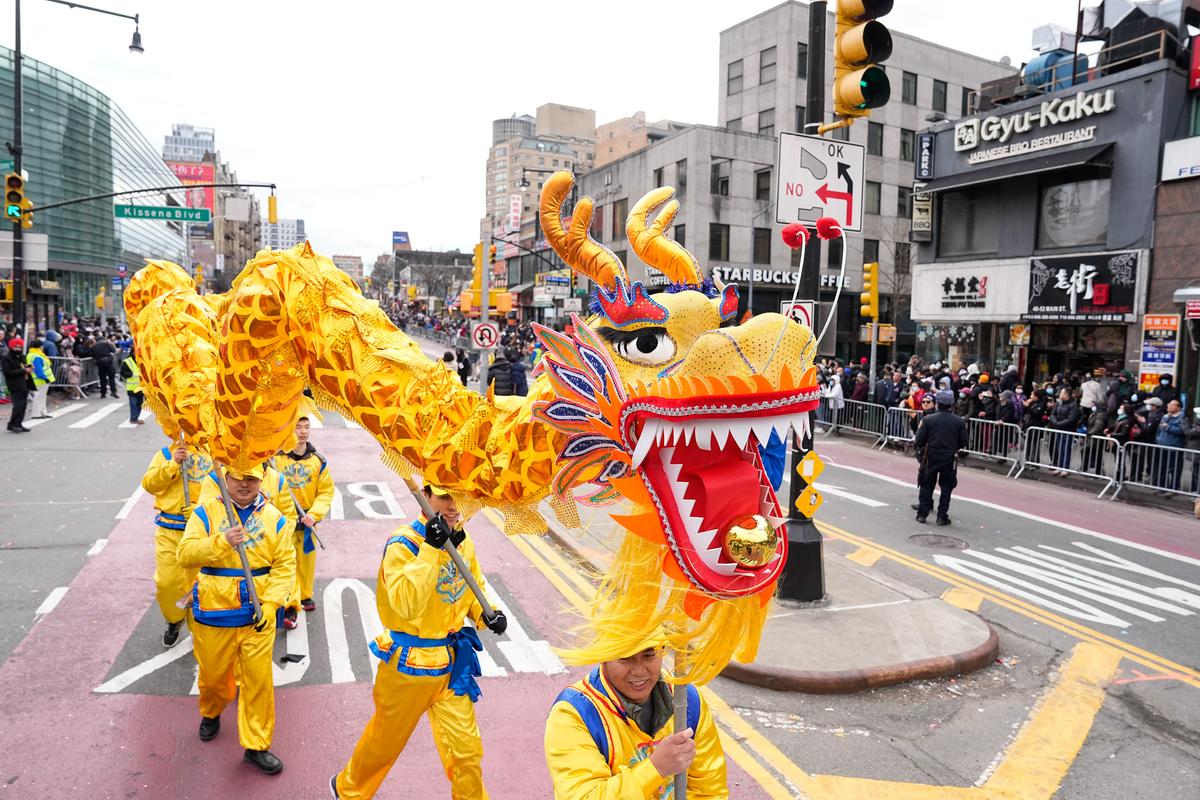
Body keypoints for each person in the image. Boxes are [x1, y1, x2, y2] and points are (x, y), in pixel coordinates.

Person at [331, 483, 508, 799]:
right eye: (444, 497)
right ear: (425, 496)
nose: (454, 506)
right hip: (409, 667)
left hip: (454, 666)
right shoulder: (404, 544)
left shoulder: (462, 540)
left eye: (460, 498)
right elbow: (405, 605)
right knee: (385, 743)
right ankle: (348, 790)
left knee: (467, 750)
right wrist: (430, 547)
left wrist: (488, 614)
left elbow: (472, 586)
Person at [177, 464, 295, 775]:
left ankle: (257, 745)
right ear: (225, 478)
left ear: (261, 479)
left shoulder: (275, 519)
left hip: (256, 615)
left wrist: (271, 605)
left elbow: (285, 567)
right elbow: (185, 554)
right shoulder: (206, 513)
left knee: (258, 682)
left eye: (252, 478)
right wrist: (221, 542)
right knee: (215, 677)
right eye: (238, 477)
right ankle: (212, 711)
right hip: (214, 613)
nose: (244, 484)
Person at [543, 642, 728, 800]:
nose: (639, 671)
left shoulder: (688, 702)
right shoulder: (573, 714)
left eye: (649, 655)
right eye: (625, 658)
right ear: (604, 655)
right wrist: (656, 767)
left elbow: (710, 790)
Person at [141, 443, 213, 646]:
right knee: (167, 582)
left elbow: (222, 487)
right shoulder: (165, 453)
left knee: (200, 583)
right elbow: (149, 484)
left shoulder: (213, 452)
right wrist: (173, 463)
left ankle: (199, 625)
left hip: (201, 530)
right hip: (169, 530)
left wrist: (200, 509)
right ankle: (174, 619)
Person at [271, 411, 334, 626]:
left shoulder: (318, 461)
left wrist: (314, 514)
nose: (303, 432)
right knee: (286, 563)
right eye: (298, 427)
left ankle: (304, 593)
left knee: (306, 563)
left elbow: (326, 492)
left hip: (307, 520)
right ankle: (290, 605)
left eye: (306, 427)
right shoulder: (275, 461)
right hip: (283, 521)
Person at [913, 389, 967, 526]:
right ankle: (942, 516)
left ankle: (922, 514)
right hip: (949, 456)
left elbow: (919, 439)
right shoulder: (958, 421)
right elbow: (963, 441)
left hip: (931, 455)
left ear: (938, 403)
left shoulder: (928, 419)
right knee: (947, 487)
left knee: (927, 484)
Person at [1047, 388, 1081, 475]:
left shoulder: (1073, 405)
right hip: (1058, 429)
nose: (1059, 394)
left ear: (1066, 394)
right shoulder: (1059, 403)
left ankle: (1065, 468)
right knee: (1059, 449)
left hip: (1067, 430)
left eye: (1061, 393)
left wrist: (1059, 424)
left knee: (1066, 449)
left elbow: (1071, 418)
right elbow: (1053, 414)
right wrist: (1055, 422)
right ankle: (1059, 466)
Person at [3, 338, 32, 433]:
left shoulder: (21, 356)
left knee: (23, 405)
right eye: (16, 347)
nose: (18, 348)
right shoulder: (7, 358)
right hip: (14, 384)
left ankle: (18, 423)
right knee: (18, 405)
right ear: (11, 347)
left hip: (23, 383)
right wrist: (23, 370)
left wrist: (28, 367)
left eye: (20, 347)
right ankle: (12, 424)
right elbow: (7, 372)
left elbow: (23, 366)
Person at [25, 339, 54, 420]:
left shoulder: (30, 354)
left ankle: (43, 412)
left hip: (36, 379)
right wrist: (45, 378)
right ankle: (36, 413)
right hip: (41, 379)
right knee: (40, 397)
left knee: (41, 396)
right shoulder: (37, 356)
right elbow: (39, 370)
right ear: (40, 347)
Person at [120, 348, 145, 424]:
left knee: (139, 403)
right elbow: (122, 372)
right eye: (136, 352)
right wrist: (129, 374)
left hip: (141, 387)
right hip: (132, 388)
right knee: (133, 404)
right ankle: (133, 418)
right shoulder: (127, 361)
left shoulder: (142, 360)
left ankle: (136, 417)